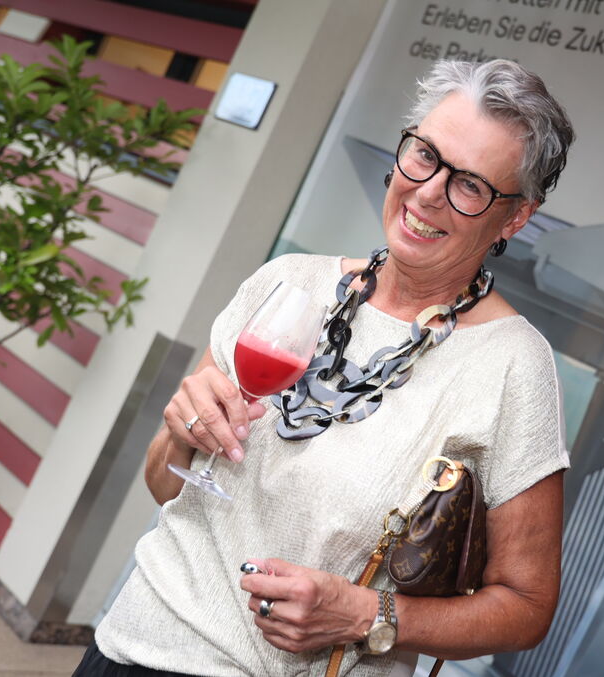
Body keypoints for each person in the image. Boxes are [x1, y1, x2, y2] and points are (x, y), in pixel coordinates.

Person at [74, 58, 575, 677]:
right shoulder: (286, 283)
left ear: (515, 217)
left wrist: (367, 614)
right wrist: (181, 433)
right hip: (127, 648)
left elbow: (527, 608)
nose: (427, 192)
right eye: (425, 155)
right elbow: (164, 486)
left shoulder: (512, 364)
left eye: (470, 185)